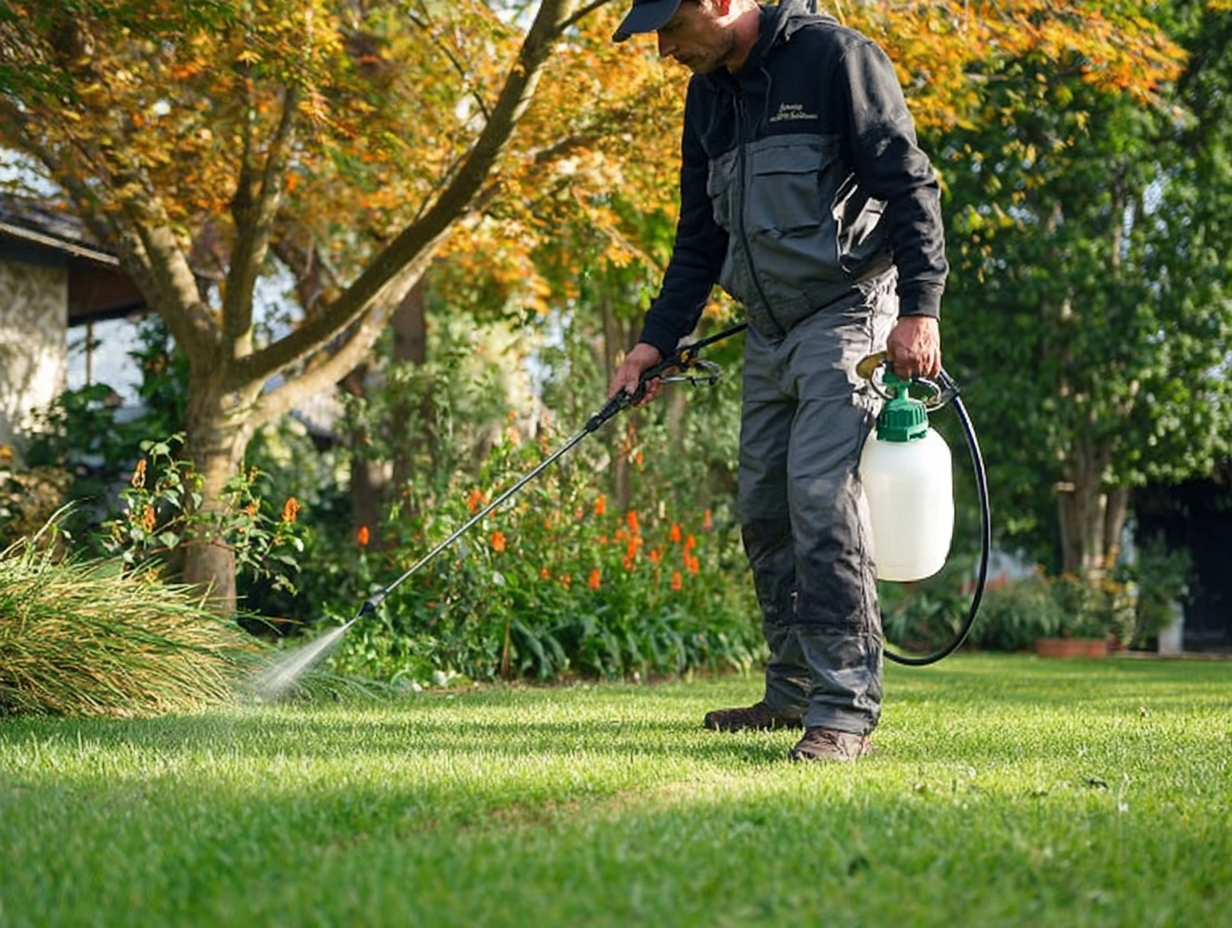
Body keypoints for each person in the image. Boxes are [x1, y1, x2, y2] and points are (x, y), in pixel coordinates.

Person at [609, 0, 947, 761]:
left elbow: (910, 188)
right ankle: (790, 690)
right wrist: (653, 343)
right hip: (767, 329)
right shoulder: (710, 95)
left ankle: (843, 709)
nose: (664, 50)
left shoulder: (836, 60)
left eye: (671, 28)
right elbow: (699, 236)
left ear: (722, 3)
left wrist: (920, 310)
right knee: (764, 506)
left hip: (848, 315)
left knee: (821, 501)